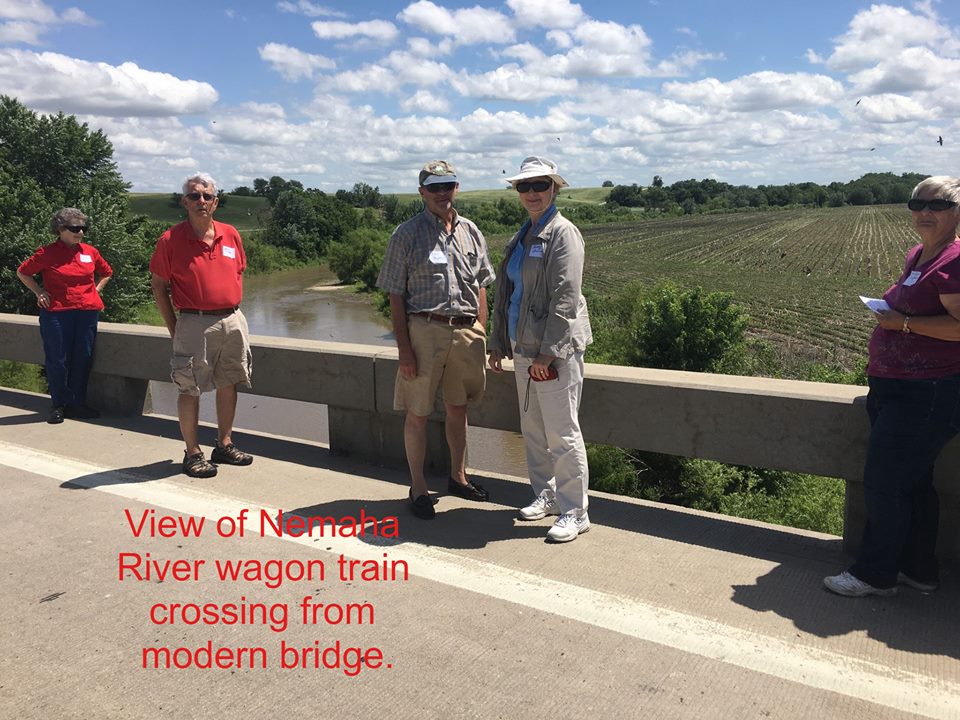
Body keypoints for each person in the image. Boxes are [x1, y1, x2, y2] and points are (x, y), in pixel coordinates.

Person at [824, 176, 960, 597]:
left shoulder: (955, 261)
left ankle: (875, 574)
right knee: (912, 483)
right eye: (916, 203)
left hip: (928, 392)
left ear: (956, 210)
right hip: (896, 387)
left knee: (883, 483)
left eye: (935, 205)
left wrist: (901, 323)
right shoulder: (919, 255)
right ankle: (919, 570)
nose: (924, 212)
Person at [377, 160, 495, 519]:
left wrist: (481, 329)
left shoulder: (471, 231)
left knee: (458, 410)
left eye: (448, 185)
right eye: (434, 187)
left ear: (456, 188)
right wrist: (405, 350)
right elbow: (395, 295)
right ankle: (418, 488)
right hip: (424, 331)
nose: (442, 193)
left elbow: (481, 285)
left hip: (465, 332)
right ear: (422, 193)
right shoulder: (406, 234)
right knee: (418, 413)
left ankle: (458, 477)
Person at [488, 157, 593, 543]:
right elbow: (508, 294)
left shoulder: (563, 234)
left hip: (553, 351)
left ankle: (575, 511)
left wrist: (548, 353)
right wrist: (498, 342)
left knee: (562, 432)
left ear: (554, 188)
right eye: (524, 186)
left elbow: (566, 298)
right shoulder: (524, 234)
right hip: (521, 346)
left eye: (539, 185)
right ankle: (546, 495)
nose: (531, 193)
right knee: (532, 429)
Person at [149, 173, 254, 478]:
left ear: (216, 202)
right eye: (194, 196)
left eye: (207, 196)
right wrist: (175, 327)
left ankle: (224, 444)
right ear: (184, 202)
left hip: (232, 319)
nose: (201, 201)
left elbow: (238, 273)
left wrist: (233, 312)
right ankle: (192, 453)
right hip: (193, 321)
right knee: (189, 387)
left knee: (229, 381)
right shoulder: (170, 240)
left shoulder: (231, 234)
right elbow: (158, 287)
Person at [16, 208, 113, 424]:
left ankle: (78, 404)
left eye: (83, 228)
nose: (80, 232)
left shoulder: (89, 251)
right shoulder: (47, 253)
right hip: (57, 312)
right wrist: (39, 292)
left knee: (83, 357)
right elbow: (23, 272)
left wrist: (96, 290)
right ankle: (58, 404)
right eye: (74, 228)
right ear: (60, 229)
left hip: (87, 311)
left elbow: (107, 272)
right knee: (58, 359)